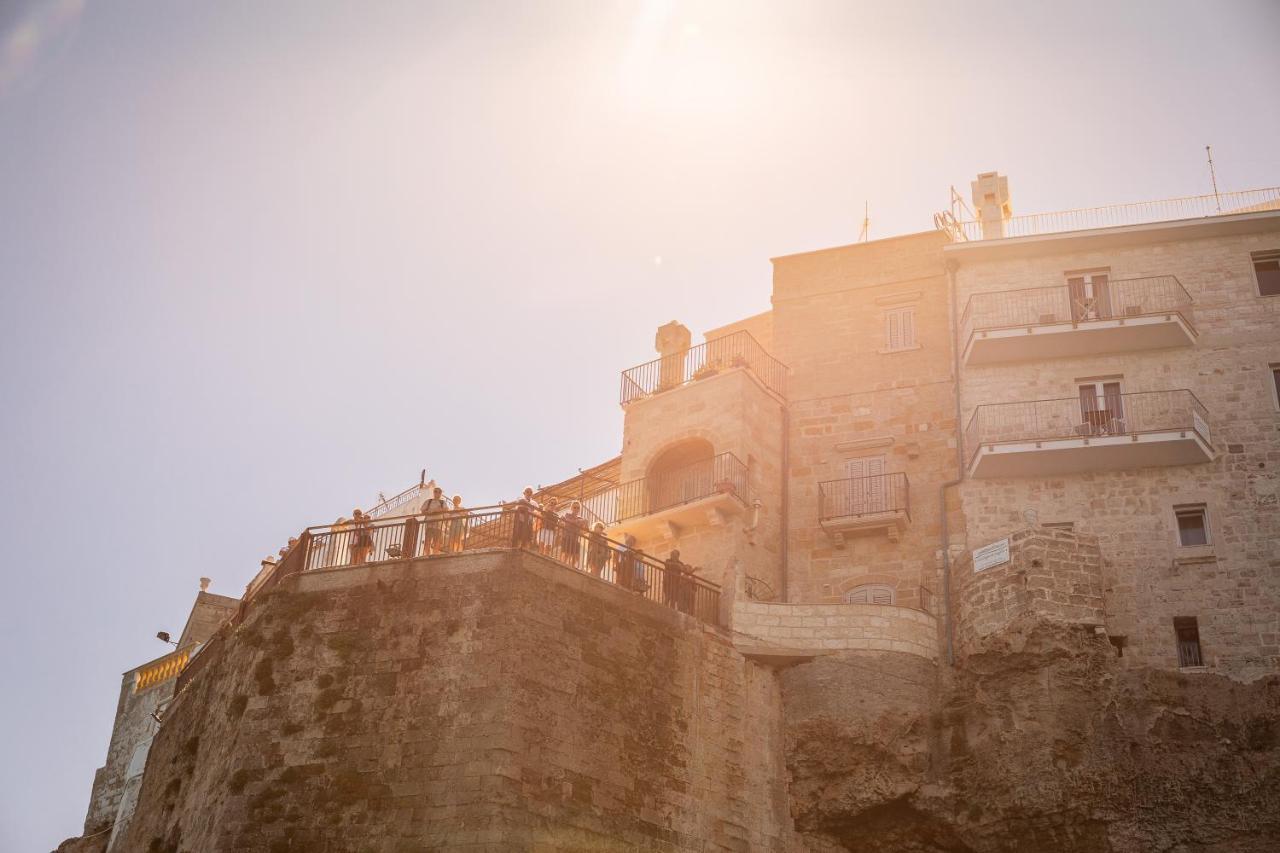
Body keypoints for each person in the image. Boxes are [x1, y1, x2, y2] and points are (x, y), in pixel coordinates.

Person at [421, 487, 450, 555]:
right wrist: (429, 512)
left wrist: (436, 510)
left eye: (439, 492)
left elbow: (446, 510)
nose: (438, 493)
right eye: (436, 491)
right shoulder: (428, 501)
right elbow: (422, 511)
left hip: (439, 525)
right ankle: (427, 555)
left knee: (437, 541)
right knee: (428, 540)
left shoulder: (443, 502)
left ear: (441, 494)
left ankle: (435, 554)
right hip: (429, 523)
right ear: (434, 492)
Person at [560, 500, 587, 567]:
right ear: (571, 508)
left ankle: (571, 567)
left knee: (576, 557)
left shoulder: (580, 518)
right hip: (567, 537)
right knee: (566, 554)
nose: (576, 509)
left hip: (575, 539)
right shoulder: (567, 515)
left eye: (578, 508)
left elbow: (585, 530)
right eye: (575, 507)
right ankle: (562, 566)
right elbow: (568, 522)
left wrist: (586, 523)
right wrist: (580, 521)